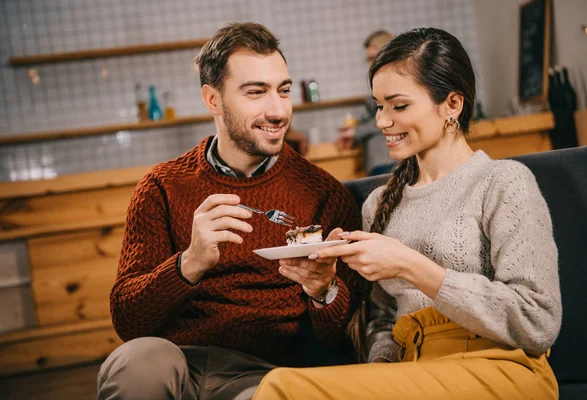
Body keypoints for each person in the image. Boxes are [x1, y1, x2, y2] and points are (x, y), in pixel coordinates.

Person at [253, 28, 561, 400]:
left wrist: (409, 265)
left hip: (499, 366)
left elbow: (538, 321)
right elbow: (383, 320)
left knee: (282, 387)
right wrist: (376, 370)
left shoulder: (503, 182)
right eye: (379, 106)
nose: (382, 121)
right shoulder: (381, 202)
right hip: (416, 370)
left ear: (452, 104)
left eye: (398, 106)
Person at [97, 22, 363, 400]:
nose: (278, 111)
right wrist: (188, 263)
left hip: (266, 374)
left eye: (283, 91)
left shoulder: (323, 194)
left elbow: (343, 335)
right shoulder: (162, 187)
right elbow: (128, 320)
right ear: (213, 100)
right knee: (134, 364)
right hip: (176, 361)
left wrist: (324, 291)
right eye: (256, 93)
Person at [336, 30, 396, 176]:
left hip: (388, 159)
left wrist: (356, 132)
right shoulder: (381, 82)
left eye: (373, 58)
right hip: (382, 159)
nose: (370, 64)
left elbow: (390, 117)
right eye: (368, 59)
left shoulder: (394, 83)